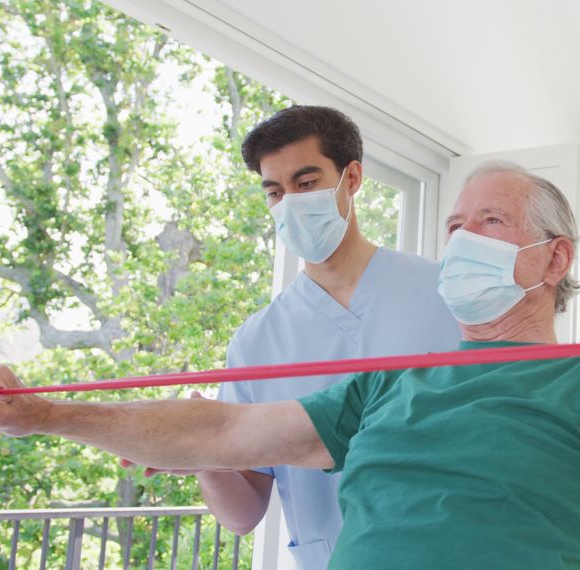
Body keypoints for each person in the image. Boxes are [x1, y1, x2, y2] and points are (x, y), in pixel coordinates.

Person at [0, 162, 580, 570]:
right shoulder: (385, 386)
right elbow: (225, 430)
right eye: (452, 226)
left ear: (554, 258)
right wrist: (44, 413)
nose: (460, 241)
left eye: (489, 223)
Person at [157, 105, 461, 568]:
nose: (290, 204)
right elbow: (242, 516)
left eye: (306, 183)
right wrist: (202, 453)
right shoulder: (256, 342)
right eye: (275, 192)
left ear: (352, 178)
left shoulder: (447, 297)